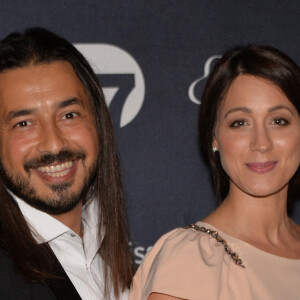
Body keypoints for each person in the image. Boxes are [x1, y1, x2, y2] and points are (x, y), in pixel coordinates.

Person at [130, 45, 300, 300]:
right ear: (214, 138)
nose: (261, 143)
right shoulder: (192, 257)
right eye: (239, 123)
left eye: (279, 121)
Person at [0, 27, 134, 300]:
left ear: (97, 121)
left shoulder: (112, 254)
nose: (54, 144)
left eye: (69, 115)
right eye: (24, 123)